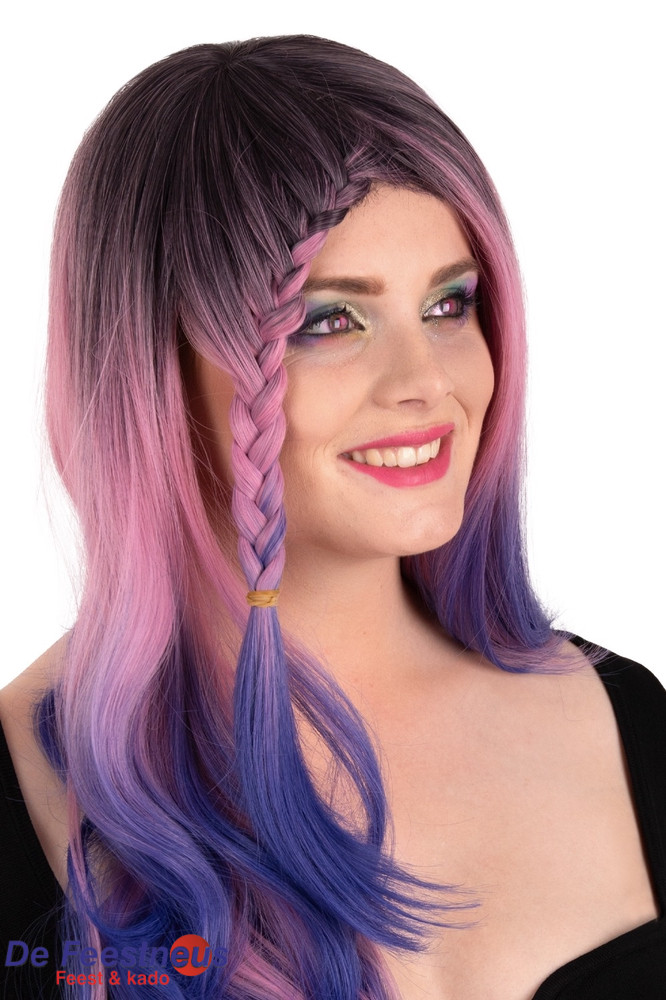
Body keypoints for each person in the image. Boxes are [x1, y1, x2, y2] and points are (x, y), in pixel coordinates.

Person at [0, 35, 664, 1000]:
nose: (427, 382)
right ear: (154, 371)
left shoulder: (626, 715)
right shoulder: (23, 787)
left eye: (449, 304)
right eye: (328, 321)